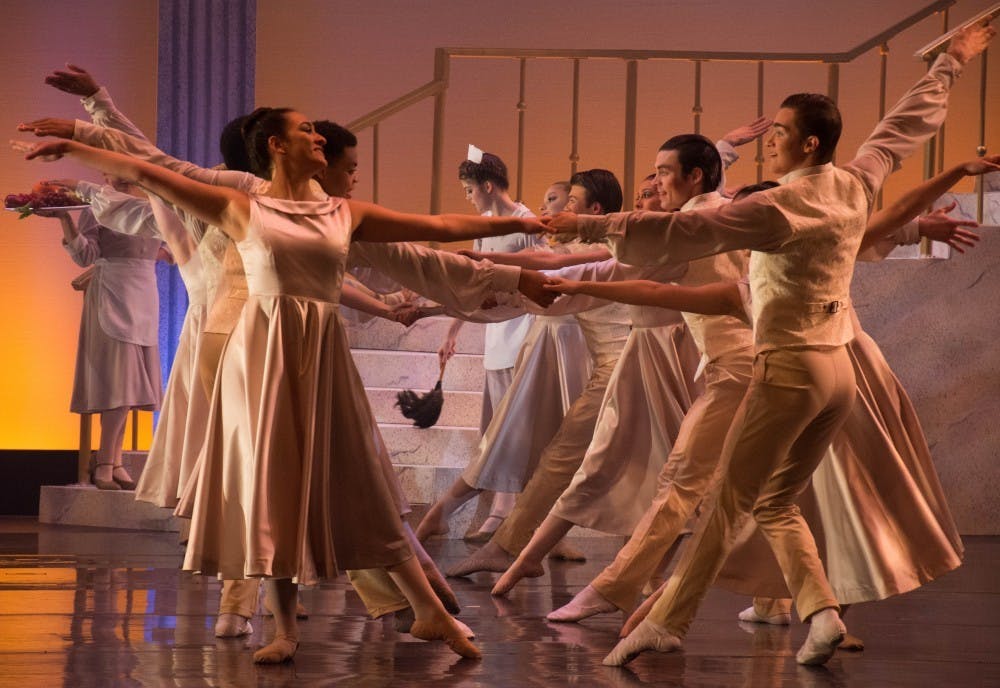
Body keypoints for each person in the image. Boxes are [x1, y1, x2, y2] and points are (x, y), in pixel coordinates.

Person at [23, 108, 549, 663]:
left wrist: (521, 225)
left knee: (362, 482)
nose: (318, 136)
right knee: (270, 487)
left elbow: (437, 228)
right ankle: (284, 629)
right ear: (276, 145)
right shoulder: (240, 204)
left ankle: (429, 612)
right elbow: (156, 172)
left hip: (319, 355)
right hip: (259, 356)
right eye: (306, 131)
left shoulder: (342, 211)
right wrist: (81, 141)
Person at [541, 23, 993, 667]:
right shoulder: (855, 182)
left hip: (789, 370)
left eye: (779, 133)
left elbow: (668, 235)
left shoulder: (777, 207)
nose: (769, 143)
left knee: (727, 505)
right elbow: (900, 129)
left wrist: (579, 223)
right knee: (773, 501)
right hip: (838, 372)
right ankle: (822, 612)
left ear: (808, 143)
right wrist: (950, 61)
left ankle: (669, 621)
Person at [431, 150, 544, 539]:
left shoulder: (528, 222)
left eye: (469, 190)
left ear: (488, 186)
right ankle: (503, 508)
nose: (469, 197)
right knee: (499, 422)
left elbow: (542, 273)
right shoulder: (486, 225)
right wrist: (452, 331)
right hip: (496, 333)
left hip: (524, 329)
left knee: (517, 424)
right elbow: (473, 282)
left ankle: (507, 510)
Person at [40, 179, 164, 492]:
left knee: (132, 387)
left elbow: (168, 245)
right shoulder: (97, 206)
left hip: (144, 295)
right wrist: (65, 219)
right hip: (112, 292)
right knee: (120, 385)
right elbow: (86, 256)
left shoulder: (152, 206)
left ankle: (115, 460)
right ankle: (106, 461)